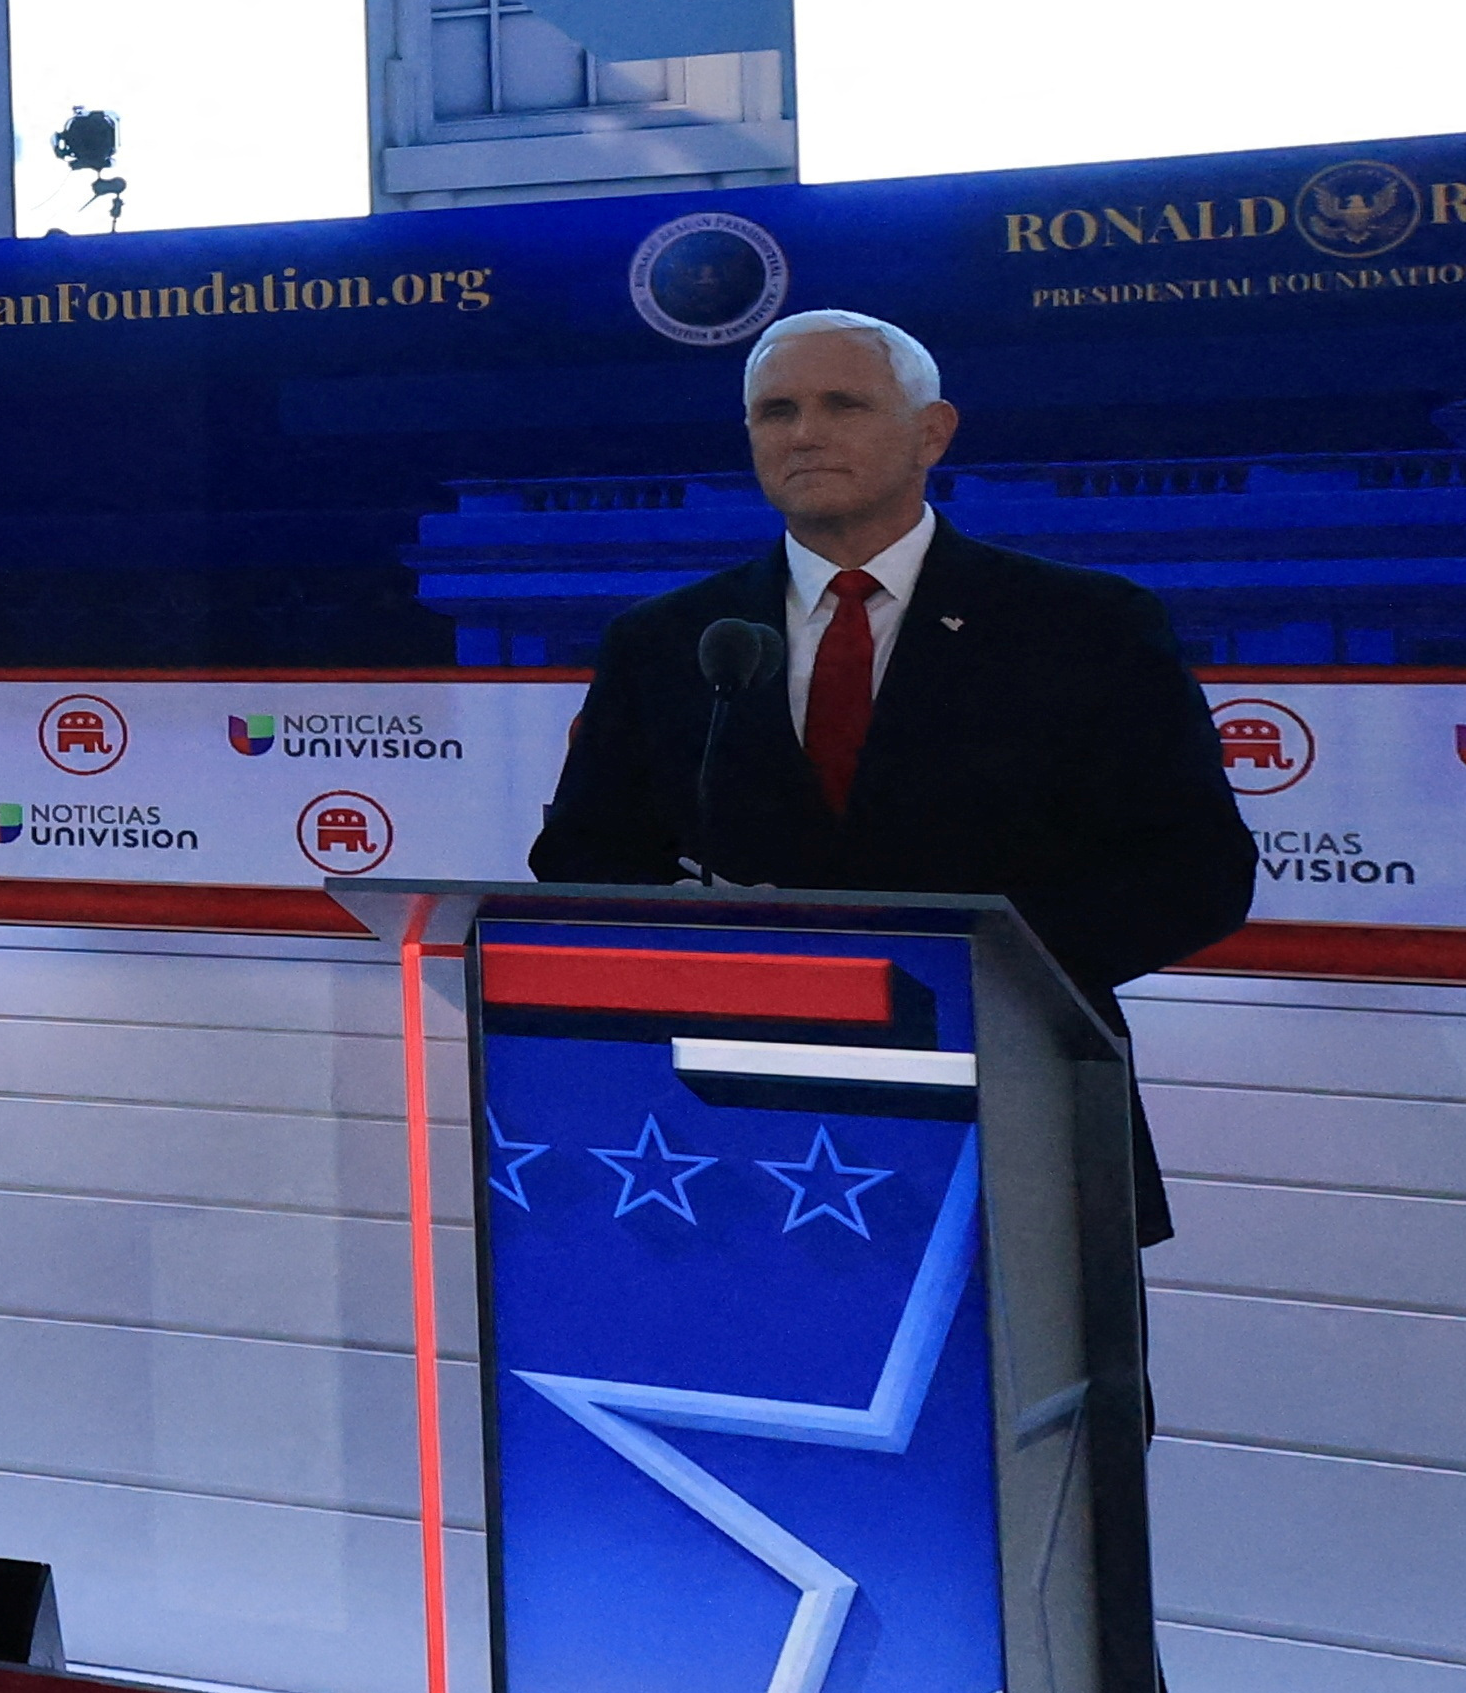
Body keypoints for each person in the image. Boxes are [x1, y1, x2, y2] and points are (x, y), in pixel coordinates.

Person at [529, 305, 1254, 1232]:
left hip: (1012, 1090)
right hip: (727, 1126)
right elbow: (584, 856)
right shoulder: (667, 640)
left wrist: (959, 969)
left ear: (932, 432)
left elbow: (1195, 870)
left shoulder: (1084, 625)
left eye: (844, 404)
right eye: (775, 410)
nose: (805, 433)